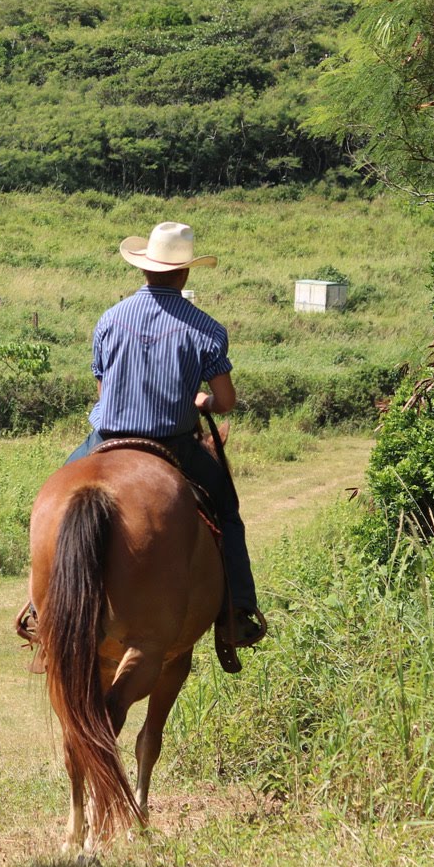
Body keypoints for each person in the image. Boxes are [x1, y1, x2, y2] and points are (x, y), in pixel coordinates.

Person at [68, 220, 266, 648]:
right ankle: (237, 611)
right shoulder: (206, 330)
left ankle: (37, 609)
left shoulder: (110, 319)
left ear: (144, 268)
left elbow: (103, 391)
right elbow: (225, 401)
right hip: (172, 445)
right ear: (186, 272)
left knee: (57, 498)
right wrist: (203, 403)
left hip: (105, 439)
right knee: (227, 511)